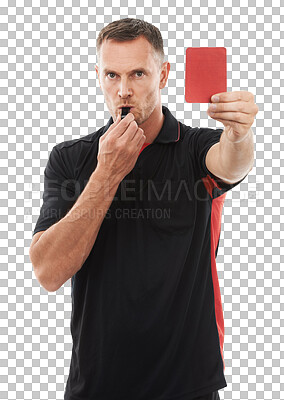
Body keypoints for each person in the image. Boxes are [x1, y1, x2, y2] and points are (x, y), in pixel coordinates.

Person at [29, 18, 258, 400]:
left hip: (187, 386)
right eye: (112, 75)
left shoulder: (195, 148)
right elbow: (48, 272)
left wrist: (239, 133)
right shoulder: (70, 158)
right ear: (98, 76)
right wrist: (106, 174)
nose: (123, 90)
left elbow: (232, 162)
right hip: (98, 386)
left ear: (163, 74)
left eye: (137, 73)